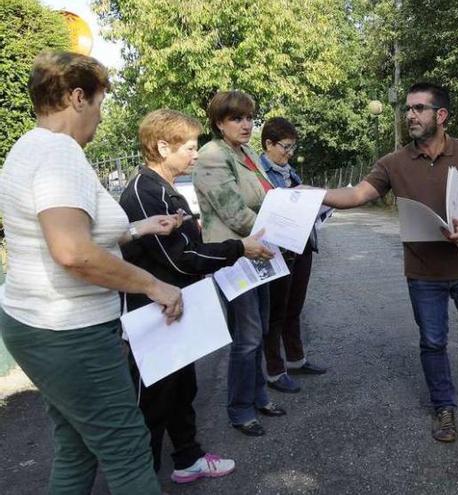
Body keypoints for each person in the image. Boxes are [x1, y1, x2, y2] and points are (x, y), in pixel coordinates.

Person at [0, 51, 182, 494]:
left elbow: (73, 234)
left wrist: (138, 227)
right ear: (77, 97)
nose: (100, 119)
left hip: (36, 324)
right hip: (69, 330)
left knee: (77, 447)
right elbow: (72, 251)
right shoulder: (60, 154)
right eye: (100, 105)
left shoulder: (28, 147)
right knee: (127, 449)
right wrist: (154, 285)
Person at [322, 82, 458, 443]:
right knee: (432, 341)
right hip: (423, 274)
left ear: (440, 115)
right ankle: (444, 407)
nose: (409, 115)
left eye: (418, 109)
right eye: (408, 109)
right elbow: (357, 194)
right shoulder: (393, 162)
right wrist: (314, 196)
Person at [119, 109, 274, 483]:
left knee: (182, 389)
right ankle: (140, 481)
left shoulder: (165, 188)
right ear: (161, 147)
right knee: (152, 403)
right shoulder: (144, 192)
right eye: (188, 147)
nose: (194, 154)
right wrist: (239, 248)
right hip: (154, 314)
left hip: (178, 308)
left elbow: (185, 246)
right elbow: (182, 259)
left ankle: (187, 458)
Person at [193, 91, 287, 437]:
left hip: (257, 250)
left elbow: (267, 195)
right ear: (219, 123)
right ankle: (240, 409)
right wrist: (282, 231)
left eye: (249, 117)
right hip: (232, 255)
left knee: (259, 329)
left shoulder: (247, 153)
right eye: (237, 118)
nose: (247, 124)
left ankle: (259, 396)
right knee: (246, 337)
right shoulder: (211, 156)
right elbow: (233, 212)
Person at [259, 117, 327, 394]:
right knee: (276, 311)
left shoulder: (289, 170)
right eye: (285, 147)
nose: (289, 153)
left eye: (292, 147)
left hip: (302, 246)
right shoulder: (259, 174)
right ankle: (275, 371)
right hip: (278, 249)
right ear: (268, 144)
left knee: (294, 307)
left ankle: (296, 359)